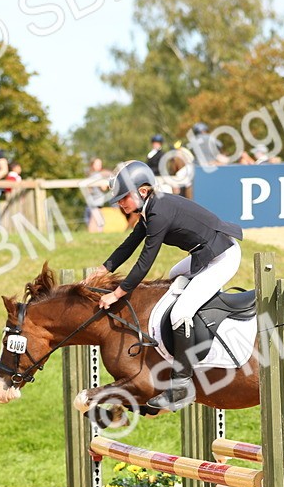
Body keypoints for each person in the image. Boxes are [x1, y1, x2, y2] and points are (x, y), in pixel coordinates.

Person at [90, 160, 244, 411]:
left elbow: (144, 262)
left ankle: (182, 384)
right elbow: (129, 245)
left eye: (123, 197)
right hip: (204, 253)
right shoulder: (152, 207)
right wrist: (103, 269)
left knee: (181, 312)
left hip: (222, 256)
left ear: (142, 191)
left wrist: (117, 293)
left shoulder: (159, 212)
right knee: (173, 275)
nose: (120, 203)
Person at [84, 157, 111, 233]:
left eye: (100, 164)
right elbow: (104, 188)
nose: (100, 165)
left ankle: (93, 237)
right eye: (98, 164)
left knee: (93, 221)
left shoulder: (90, 175)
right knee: (99, 222)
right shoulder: (98, 176)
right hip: (96, 203)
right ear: (93, 165)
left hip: (91, 202)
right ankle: (97, 237)